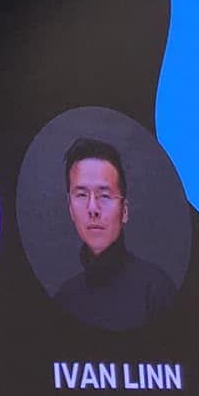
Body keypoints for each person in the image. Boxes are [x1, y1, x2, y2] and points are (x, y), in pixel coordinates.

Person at [48, 137, 175, 328]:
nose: (92, 208)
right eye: (81, 195)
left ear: (124, 211)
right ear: (70, 208)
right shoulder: (65, 298)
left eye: (105, 195)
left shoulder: (156, 291)